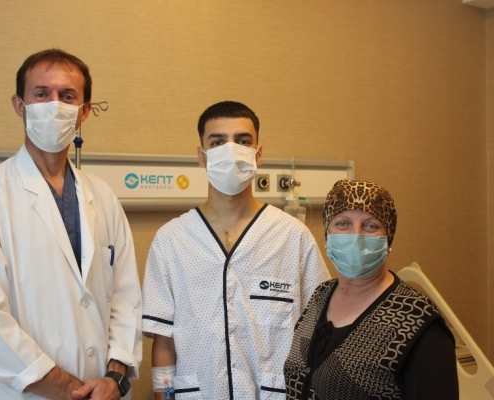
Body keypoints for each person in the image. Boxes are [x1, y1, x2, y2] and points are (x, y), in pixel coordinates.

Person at [0, 49, 142, 400]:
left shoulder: (103, 196)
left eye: (67, 96)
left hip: (105, 391)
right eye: (41, 94)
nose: (54, 105)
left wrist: (115, 376)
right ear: (19, 105)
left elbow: (127, 297)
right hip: (28, 393)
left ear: (84, 111)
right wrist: (73, 391)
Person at [141, 101, 331, 399]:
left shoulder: (293, 237)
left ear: (258, 154)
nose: (230, 151)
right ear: (201, 156)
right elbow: (164, 342)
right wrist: (164, 396)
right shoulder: (171, 240)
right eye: (217, 142)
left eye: (242, 141)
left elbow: (320, 332)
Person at [284, 180, 459, 400]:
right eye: (343, 224)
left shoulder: (417, 321)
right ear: (327, 236)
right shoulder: (321, 295)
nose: (355, 236)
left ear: (388, 239)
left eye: (371, 226)